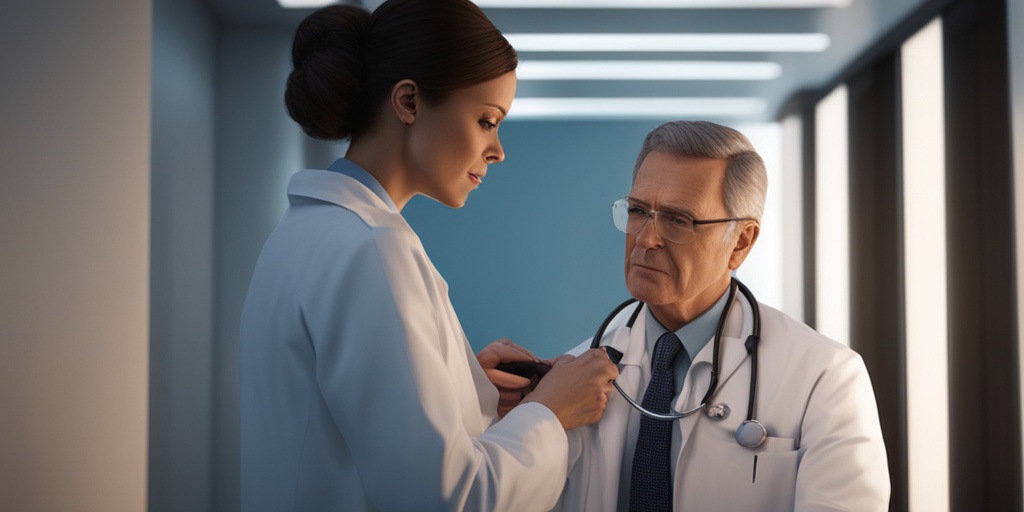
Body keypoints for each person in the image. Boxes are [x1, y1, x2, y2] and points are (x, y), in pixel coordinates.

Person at [238, 2, 618, 511]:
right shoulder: (372, 248)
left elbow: (338, 424)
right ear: (410, 101)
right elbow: (448, 498)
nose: (498, 149)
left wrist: (459, 385)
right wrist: (552, 411)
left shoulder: (305, 234)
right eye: (487, 120)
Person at [549, 120, 890, 511]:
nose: (646, 238)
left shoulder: (825, 376)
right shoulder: (571, 375)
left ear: (741, 243)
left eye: (679, 220)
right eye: (638, 210)